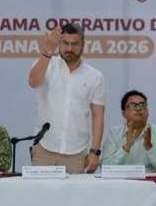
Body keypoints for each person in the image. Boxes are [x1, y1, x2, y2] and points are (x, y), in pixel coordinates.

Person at [28, 22, 106, 173]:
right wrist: (47, 51)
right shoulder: (47, 63)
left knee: (76, 190)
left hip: (77, 153)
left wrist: (95, 151)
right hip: (44, 149)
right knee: (40, 190)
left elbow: (98, 116)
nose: (69, 48)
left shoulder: (95, 76)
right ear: (59, 42)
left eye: (75, 44)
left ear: (83, 44)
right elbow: (33, 82)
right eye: (65, 43)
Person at [101, 90, 156, 172]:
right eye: (132, 105)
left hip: (150, 179)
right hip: (123, 179)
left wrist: (149, 147)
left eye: (142, 105)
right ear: (123, 113)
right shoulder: (115, 133)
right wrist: (126, 147)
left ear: (148, 111)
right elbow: (104, 167)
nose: (138, 108)